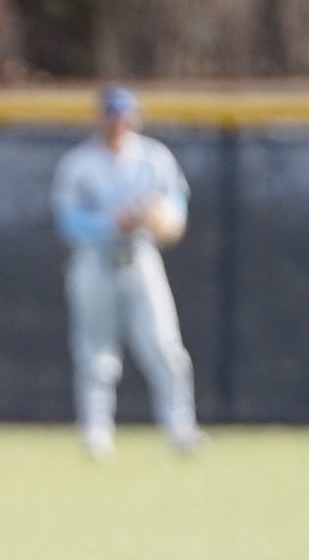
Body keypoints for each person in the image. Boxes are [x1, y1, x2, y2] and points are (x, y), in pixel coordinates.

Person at [50, 84, 205, 458]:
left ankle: (181, 428)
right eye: (111, 114)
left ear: (133, 118)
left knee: (165, 347)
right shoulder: (79, 163)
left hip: (141, 258)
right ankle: (96, 432)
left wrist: (163, 219)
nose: (118, 122)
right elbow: (67, 222)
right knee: (96, 353)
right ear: (99, 118)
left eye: (124, 115)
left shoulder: (154, 157)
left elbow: (175, 209)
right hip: (95, 261)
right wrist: (110, 225)